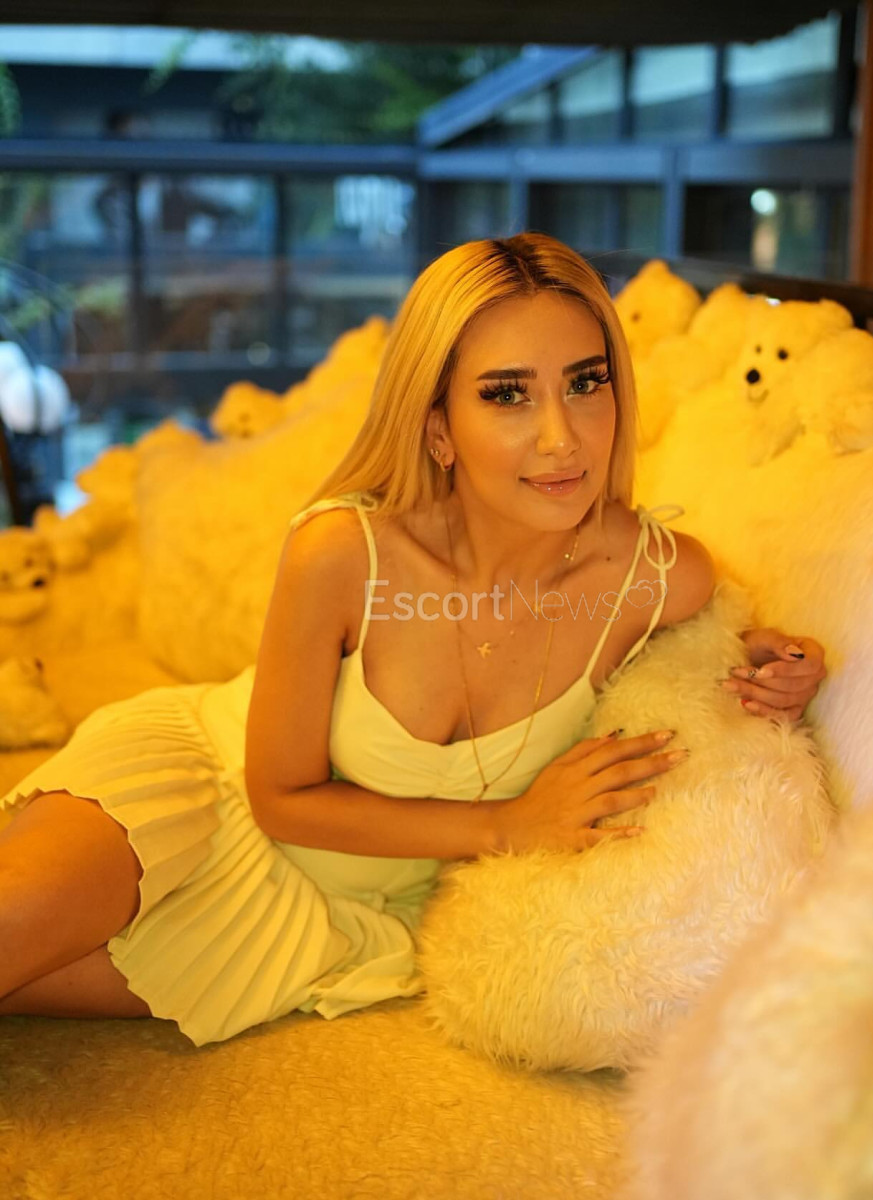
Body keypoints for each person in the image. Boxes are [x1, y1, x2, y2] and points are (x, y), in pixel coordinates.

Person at [0, 234, 826, 1045]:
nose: (561, 437)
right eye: (507, 394)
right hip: (201, 787)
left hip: (335, 921)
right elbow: (279, 797)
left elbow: (709, 647)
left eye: (585, 383)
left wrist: (770, 662)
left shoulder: (659, 578)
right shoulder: (343, 552)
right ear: (438, 427)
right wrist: (509, 824)